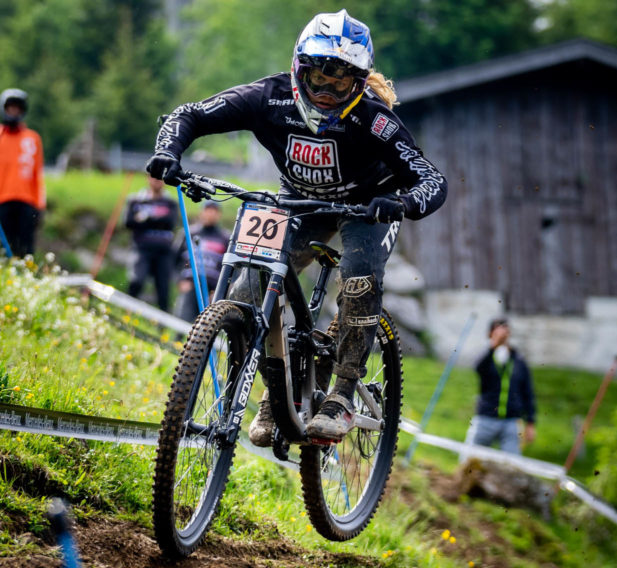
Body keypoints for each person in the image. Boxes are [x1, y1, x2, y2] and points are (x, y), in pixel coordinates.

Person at [146, 9, 447, 444]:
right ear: (297, 70)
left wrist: (400, 202)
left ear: (358, 84)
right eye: (317, 79)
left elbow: (431, 178)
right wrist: (168, 154)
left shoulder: (374, 118)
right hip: (300, 201)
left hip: (366, 206)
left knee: (359, 281)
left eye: (340, 82)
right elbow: (190, 114)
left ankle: (342, 393)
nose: (326, 92)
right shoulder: (268, 96)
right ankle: (278, 393)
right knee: (248, 290)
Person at [0, 88, 45, 258]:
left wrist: (40, 205)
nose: (14, 112)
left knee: (26, 248)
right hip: (1, 200)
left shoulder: (32, 138)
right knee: (3, 247)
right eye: (10, 108)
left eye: (17, 108)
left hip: (27, 201)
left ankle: (27, 278)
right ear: (4, 109)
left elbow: (38, 174)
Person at [465, 317, 537, 455]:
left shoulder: (518, 360)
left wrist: (530, 422)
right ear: (490, 333)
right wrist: (494, 345)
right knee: (470, 459)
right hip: (485, 418)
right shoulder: (486, 357)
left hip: (511, 421)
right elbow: (477, 368)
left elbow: (528, 393)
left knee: (513, 464)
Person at [125, 174, 179, 312]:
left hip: (164, 252)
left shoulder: (170, 202)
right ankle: (127, 312)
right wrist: (158, 219)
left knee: (163, 289)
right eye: (154, 177)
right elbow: (129, 222)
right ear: (148, 179)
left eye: (160, 178)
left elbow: (170, 223)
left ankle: (163, 327)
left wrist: (145, 218)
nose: (157, 181)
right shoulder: (136, 200)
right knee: (136, 281)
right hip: (141, 248)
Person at [173, 199, 231, 322]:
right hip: (190, 285)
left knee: (205, 326)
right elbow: (173, 259)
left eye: (214, 211)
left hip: (212, 291)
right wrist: (179, 280)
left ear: (219, 214)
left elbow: (229, 269)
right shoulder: (188, 233)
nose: (210, 214)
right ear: (201, 212)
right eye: (208, 210)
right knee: (183, 319)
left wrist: (219, 291)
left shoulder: (226, 238)